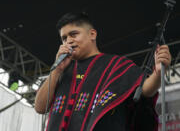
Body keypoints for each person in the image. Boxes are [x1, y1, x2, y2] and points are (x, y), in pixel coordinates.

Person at [35, 12, 171, 131]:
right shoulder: (61, 71)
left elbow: (144, 90)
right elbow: (40, 107)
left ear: (92, 34)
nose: (69, 41)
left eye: (74, 34)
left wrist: (158, 73)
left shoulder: (116, 65)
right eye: (64, 38)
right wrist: (57, 70)